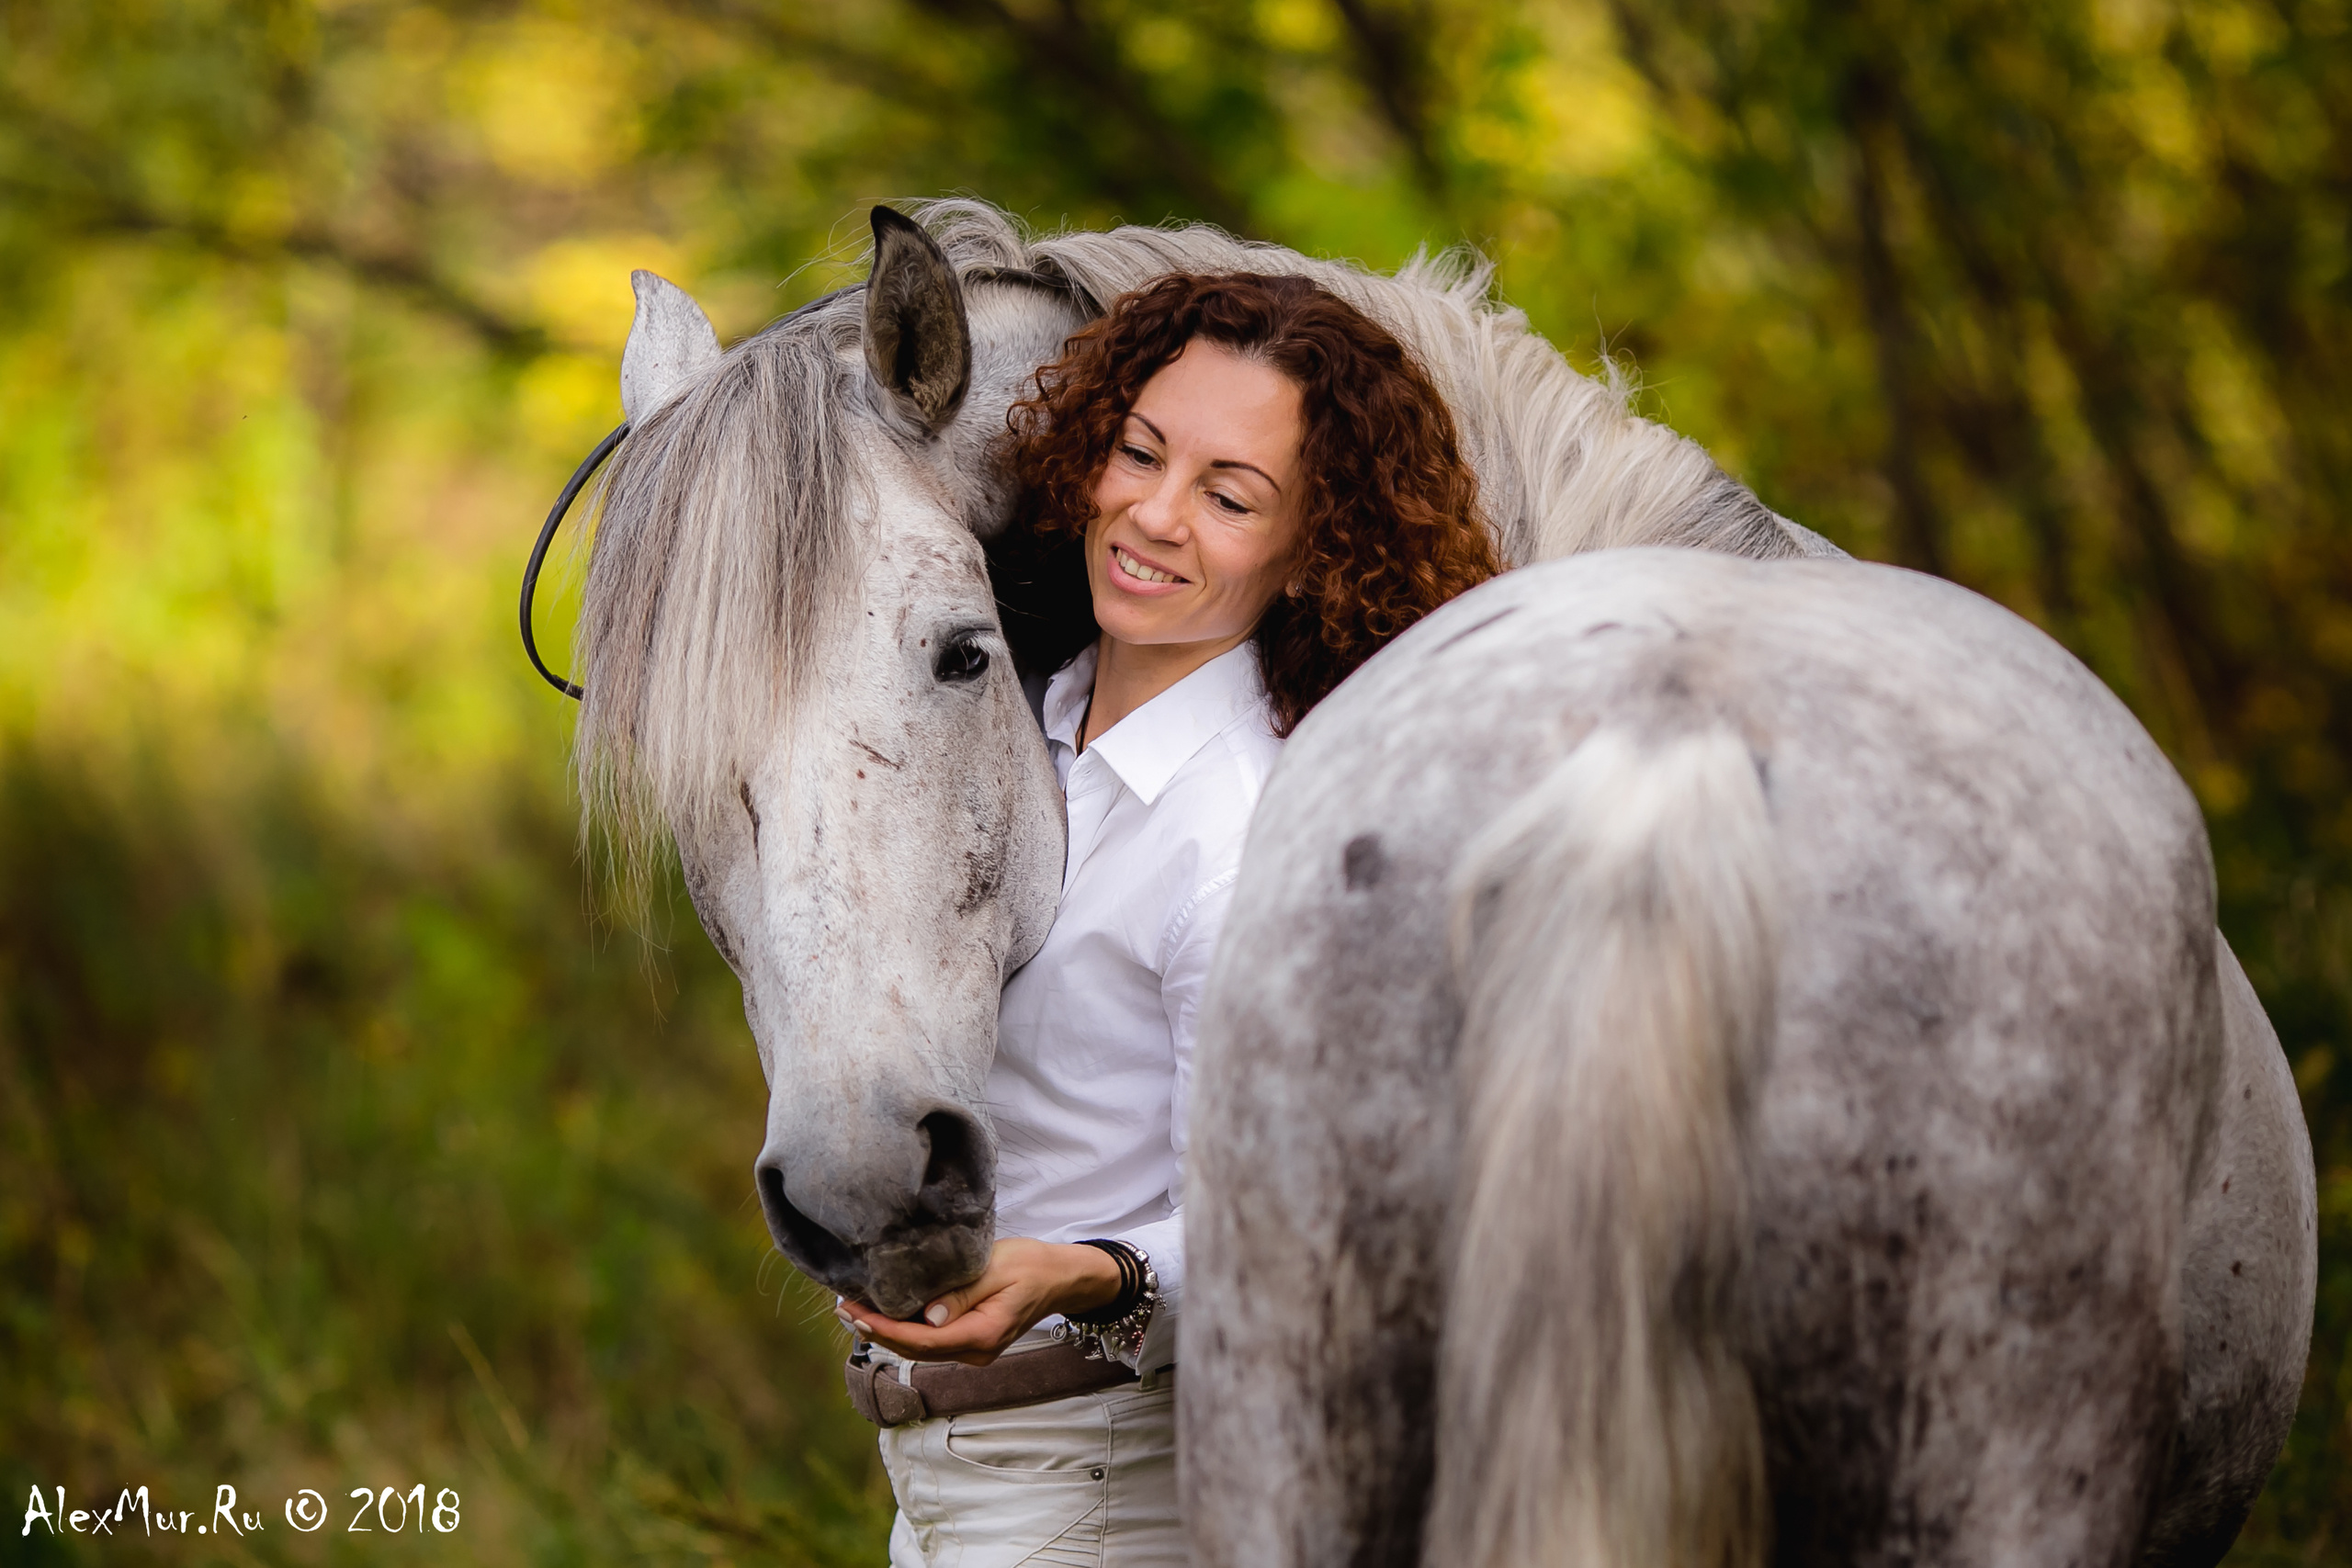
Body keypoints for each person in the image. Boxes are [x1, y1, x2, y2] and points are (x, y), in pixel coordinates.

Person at [835, 270, 1498, 1565]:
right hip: (951, 1477)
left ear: (1318, 546)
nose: (1152, 512)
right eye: (1140, 452)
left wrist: (1089, 1273)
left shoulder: (1246, 829)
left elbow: (1295, 1229)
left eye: (1230, 496)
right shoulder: (1023, 723)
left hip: (1098, 1483)